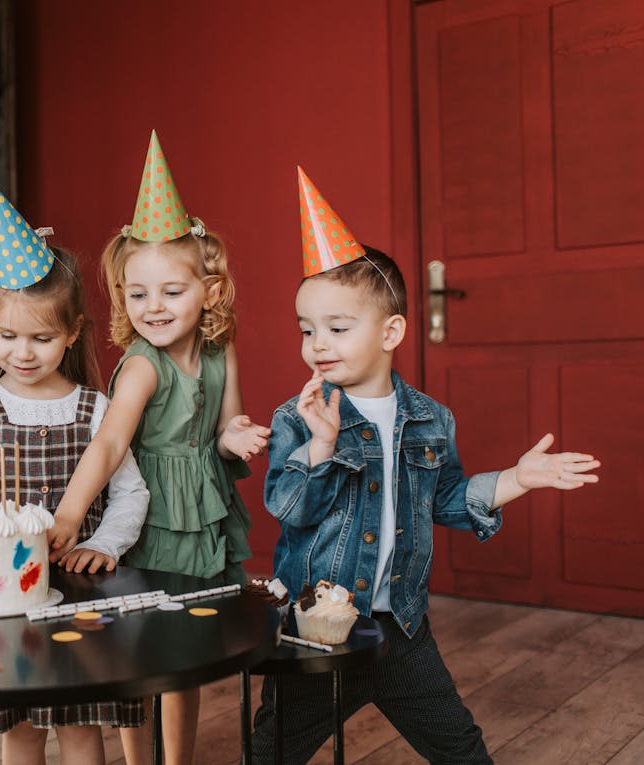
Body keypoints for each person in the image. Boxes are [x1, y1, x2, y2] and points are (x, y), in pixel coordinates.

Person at [250, 168, 601, 763]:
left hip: (402, 632)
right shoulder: (300, 416)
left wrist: (517, 479)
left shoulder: (430, 419)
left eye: (337, 328)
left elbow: (445, 501)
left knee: (462, 749)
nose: (318, 344)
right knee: (270, 751)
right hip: (316, 630)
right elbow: (287, 507)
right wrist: (321, 448)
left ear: (391, 332)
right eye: (307, 330)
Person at [52, 132, 270, 765]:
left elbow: (228, 432)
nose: (153, 308)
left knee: (189, 656)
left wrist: (235, 437)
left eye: (172, 292)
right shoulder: (143, 367)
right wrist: (68, 517)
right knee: (143, 653)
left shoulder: (220, 349)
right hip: (149, 519)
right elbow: (112, 442)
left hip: (203, 515)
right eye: (136, 294)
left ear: (210, 288)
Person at [0, 178, 148, 765]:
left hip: (79, 595)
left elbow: (131, 494)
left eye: (42, 338)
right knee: (20, 727)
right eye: (7, 336)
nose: (23, 352)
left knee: (80, 725)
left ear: (72, 333)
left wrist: (104, 544)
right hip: (4, 598)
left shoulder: (97, 409)